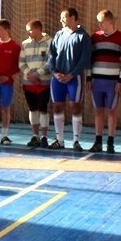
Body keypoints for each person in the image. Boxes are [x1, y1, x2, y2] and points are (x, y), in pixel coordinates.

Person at [46, 8, 92, 150]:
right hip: (58, 78)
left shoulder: (83, 36)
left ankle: (76, 141)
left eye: (64, 17)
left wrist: (72, 74)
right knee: (57, 106)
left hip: (74, 78)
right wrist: (55, 73)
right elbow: (51, 56)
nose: (61, 20)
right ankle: (59, 140)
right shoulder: (58, 35)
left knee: (75, 106)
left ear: (73, 18)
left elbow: (85, 59)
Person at [88, 10, 121, 153]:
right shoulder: (94, 37)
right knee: (98, 111)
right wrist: (89, 78)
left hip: (112, 82)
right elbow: (89, 60)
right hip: (97, 81)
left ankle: (110, 143)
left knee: (112, 111)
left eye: (102, 22)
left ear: (110, 22)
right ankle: (98, 141)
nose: (99, 25)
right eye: (98, 22)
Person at [19, 20, 51, 147]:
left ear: (38, 29)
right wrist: (29, 75)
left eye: (30, 30)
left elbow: (50, 63)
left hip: (44, 82)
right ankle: (35, 135)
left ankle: (44, 137)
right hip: (28, 83)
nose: (28, 33)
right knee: (33, 109)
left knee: (43, 109)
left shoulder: (50, 42)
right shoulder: (24, 44)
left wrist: (37, 74)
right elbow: (21, 63)